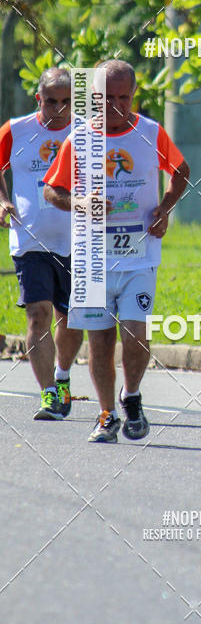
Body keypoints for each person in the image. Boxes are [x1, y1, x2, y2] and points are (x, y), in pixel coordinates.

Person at [44, 60, 190, 443]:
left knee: (136, 336)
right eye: (107, 98)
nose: (116, 105)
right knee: (100, 342)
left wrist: (166, 207)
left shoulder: (151, 132)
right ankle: (107, 414)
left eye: (124, 97)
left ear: (133, 95)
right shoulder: (79, 139)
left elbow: (181, 169)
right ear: (94, 97)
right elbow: (51, 191)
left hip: (139, 255)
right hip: (92, 258)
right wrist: (81, 203)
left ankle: (132, 395)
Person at [0, 67, 83, 420]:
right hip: (30, 240)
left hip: (80, 241)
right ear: (39, 99)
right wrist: (2, 200)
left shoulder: (88, 134)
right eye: (51, 101)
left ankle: (62, 376)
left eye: (66, 103)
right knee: (38, 314)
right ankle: (48, 393)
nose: (59, 109)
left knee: (74, 318)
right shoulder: (15, 130)